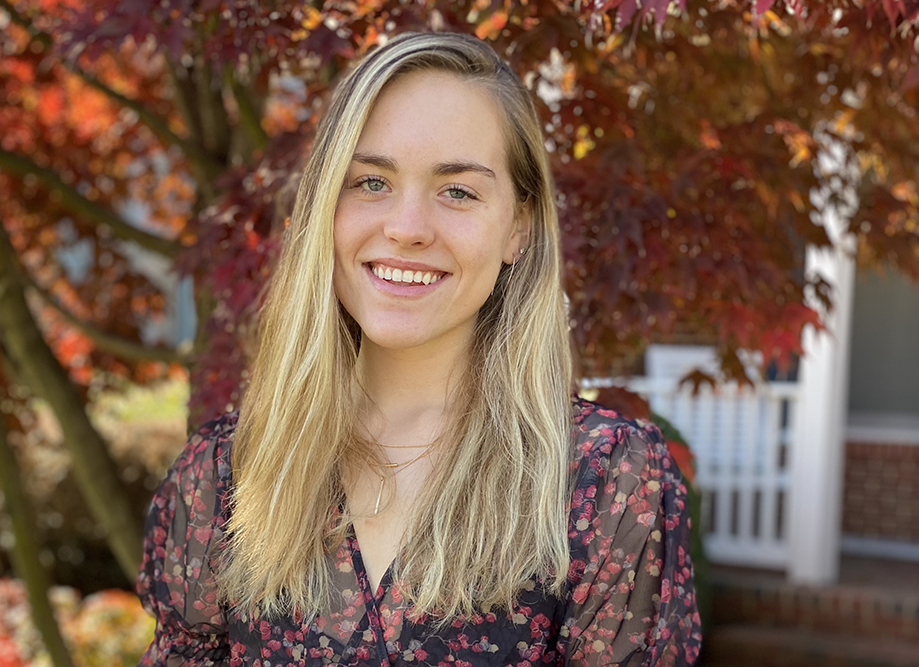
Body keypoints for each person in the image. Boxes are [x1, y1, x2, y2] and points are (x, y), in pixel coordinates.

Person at [136, 31, 702, 667]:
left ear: (518, 226)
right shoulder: (226, 475)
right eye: (371, 181)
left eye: (457, 191)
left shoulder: (604, 483)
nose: (406, 228)